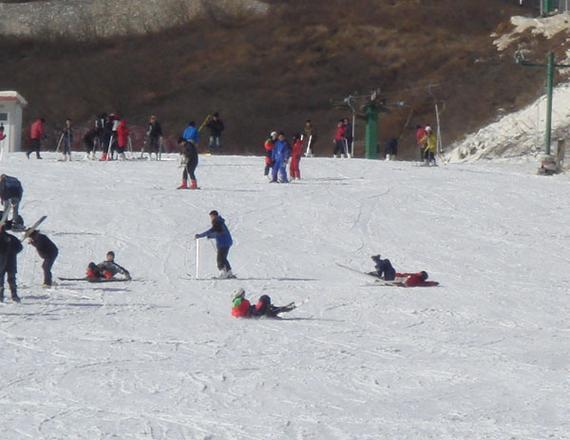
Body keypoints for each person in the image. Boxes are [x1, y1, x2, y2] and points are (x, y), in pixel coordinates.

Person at [195, 210, 234, 279]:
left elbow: (211, 231)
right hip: (226, 242)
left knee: (220, 259)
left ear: (215, 216)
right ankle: (229, 272)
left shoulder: (217, 222)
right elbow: (219, 233)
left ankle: (224, 273)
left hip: (223, 243)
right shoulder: (220, 222)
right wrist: (211, 236)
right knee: (223, 258)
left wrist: (200, 235)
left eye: (212, 216)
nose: (211, 218)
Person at [369, 255, 438, 287]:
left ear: (422, 276)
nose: (418, 272)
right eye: (420, 272)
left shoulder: (419, 281)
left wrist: (433, 283)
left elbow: (426, 284)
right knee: (386, 261)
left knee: (389, 266)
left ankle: (378, 271)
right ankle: (377, 264)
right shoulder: (413, 275)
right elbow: (402, 275)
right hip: (391, 278)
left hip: (393, 281)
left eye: (421, 273)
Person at [0, 223, 23, 303]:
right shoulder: (12, 238)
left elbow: (19, 248)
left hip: (3, 262)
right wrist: (13, 252)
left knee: (2, 280)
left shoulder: (10, 238)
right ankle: (14, 296)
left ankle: (1, 297)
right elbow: (20, 247)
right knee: (12, 279)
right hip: (11, 262)